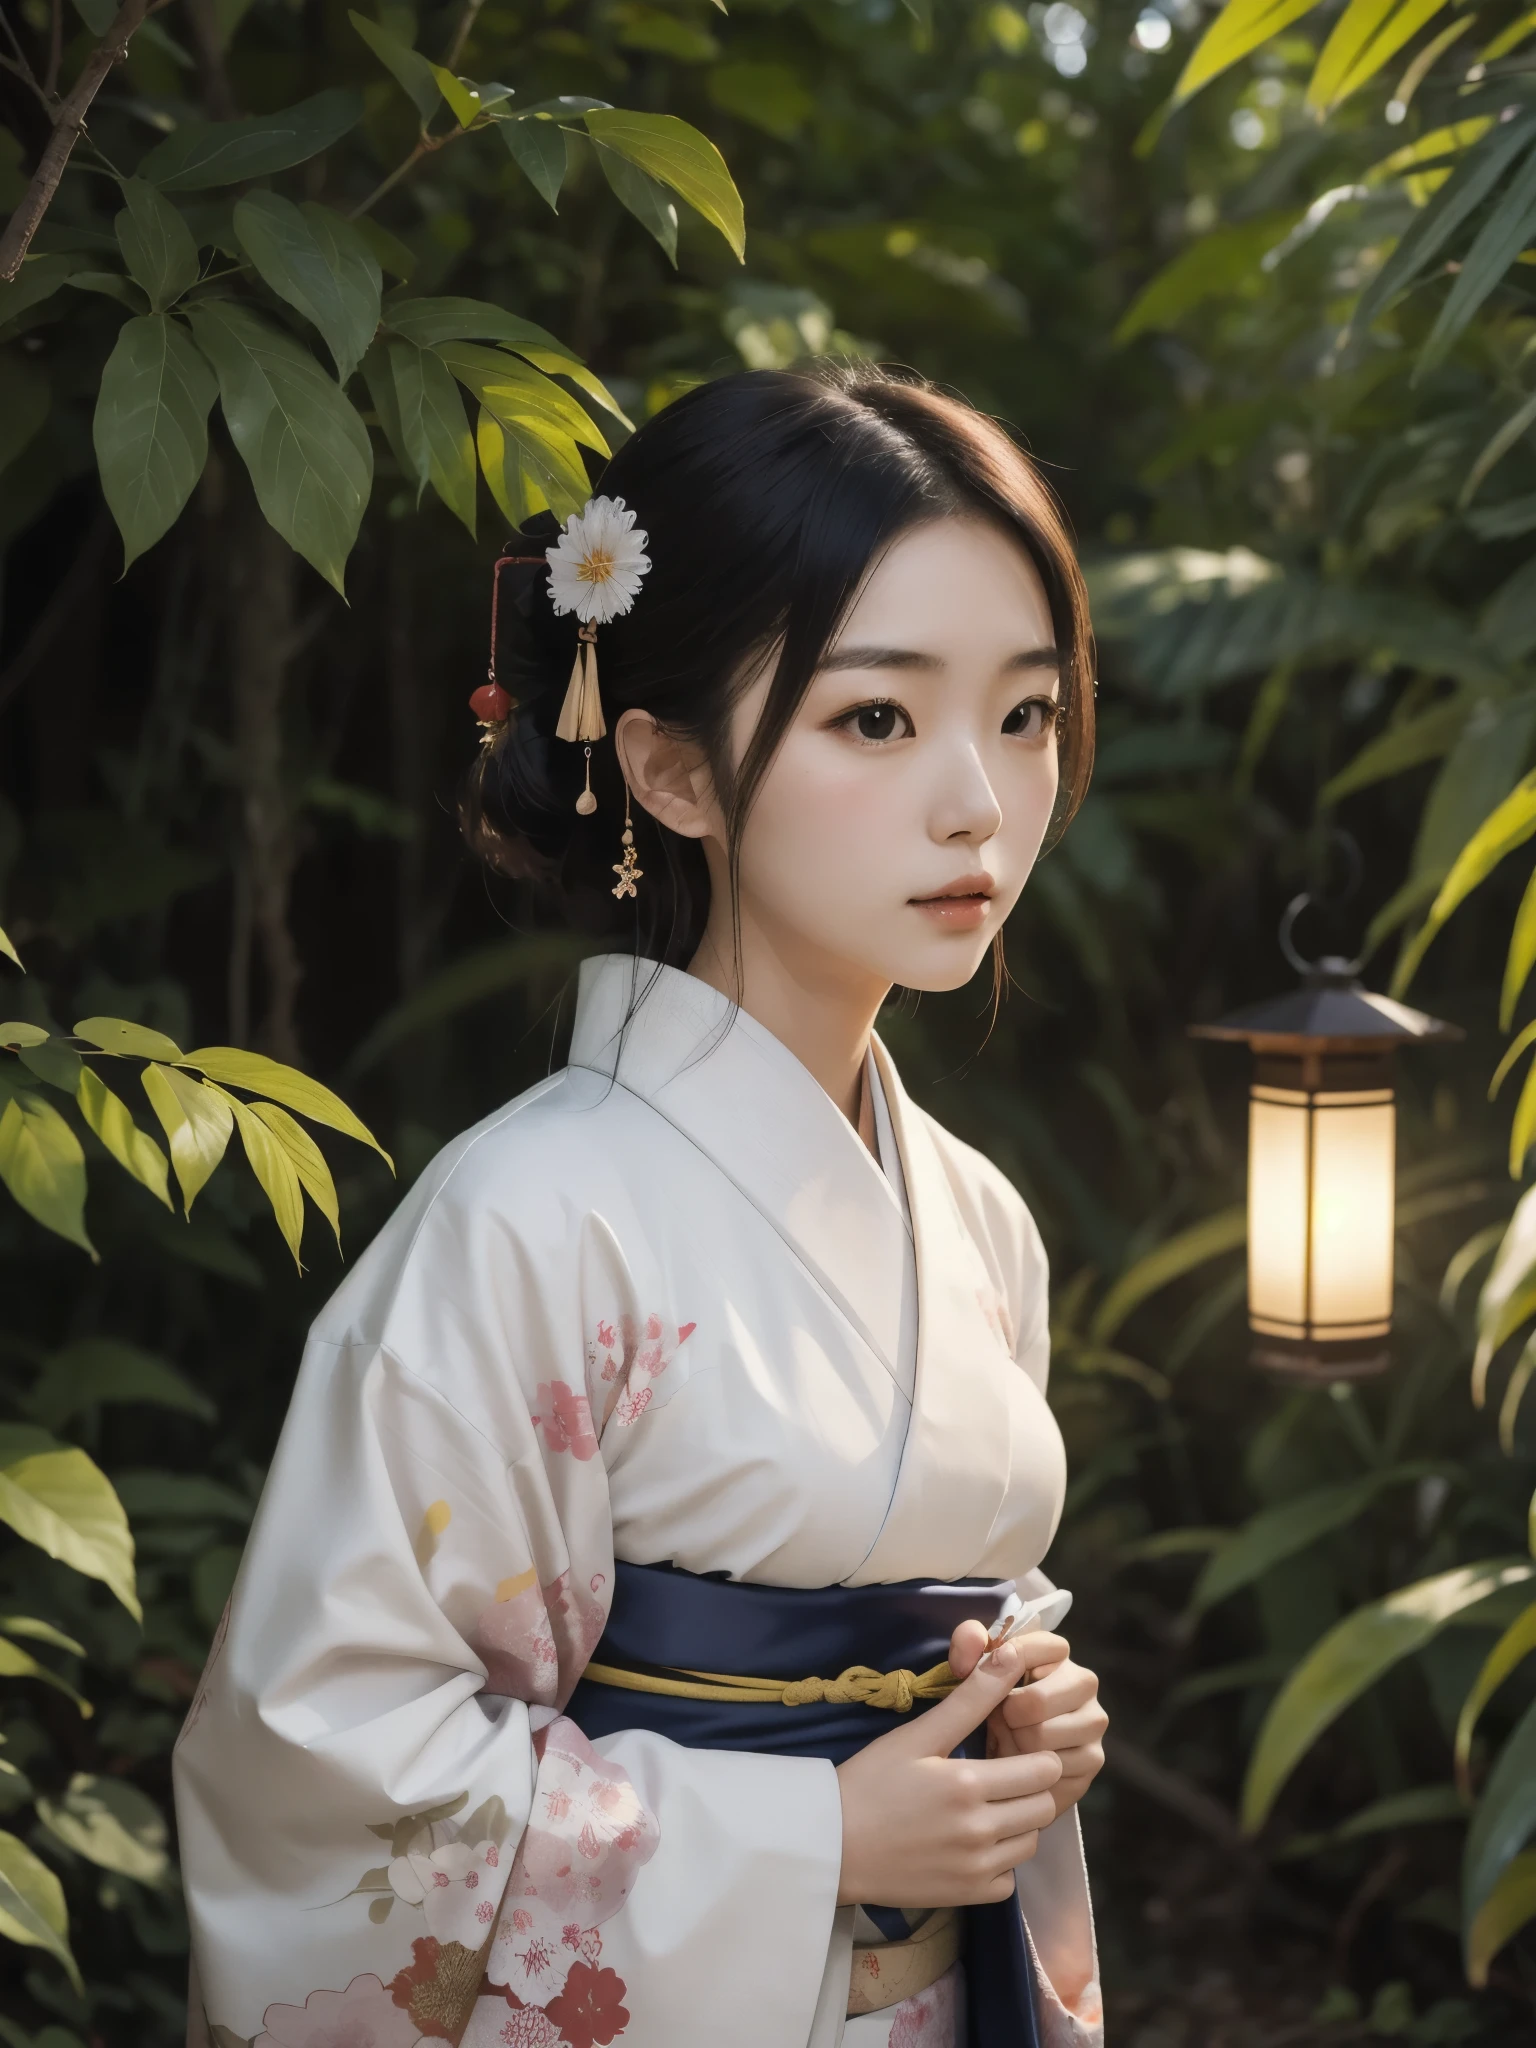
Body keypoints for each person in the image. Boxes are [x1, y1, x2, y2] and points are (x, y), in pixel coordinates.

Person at [174, 364, 1109, 2048]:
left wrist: (1021, 1698)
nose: (979, 795)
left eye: (1026, 714)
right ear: (670, 769)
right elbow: (322, 1768)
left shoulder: (980, 1221)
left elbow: (953, 1580)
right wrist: (812, 1835)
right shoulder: (528, 1222)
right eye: (877, 718)